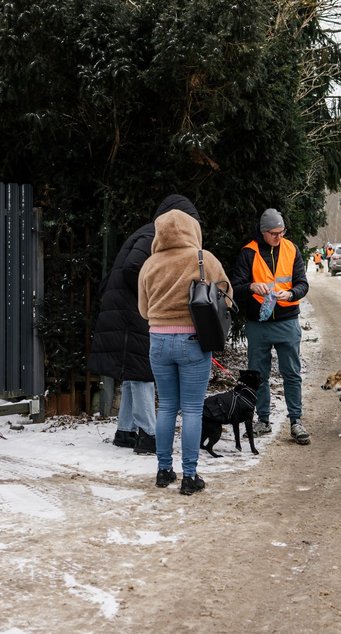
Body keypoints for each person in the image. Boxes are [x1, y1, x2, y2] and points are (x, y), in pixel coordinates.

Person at [88, 195, 201, 455]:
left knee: (133, 374)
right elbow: (133, 269)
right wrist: (155, 296)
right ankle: (149, 435)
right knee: (142, 373)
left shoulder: (148, 233)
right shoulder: (154, 234)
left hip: (123, 311)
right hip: (131, 313)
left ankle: (125, 431)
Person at [138, 207, 232, 495]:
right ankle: (190, 476)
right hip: (193, 340)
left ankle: (164, 470)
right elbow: (227, 297)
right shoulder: (204, 259)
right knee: (192, 409)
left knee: (166, 406)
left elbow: (143, 310)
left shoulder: (149, 264)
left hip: (158, 341)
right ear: (193, 230)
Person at [231, 208, 311, 444]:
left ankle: (296, 421)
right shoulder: (248, 252)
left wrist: (291, 293)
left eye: (282, 232)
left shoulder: (291, 248)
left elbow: (303, 284)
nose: (279, 237)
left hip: (287, 320)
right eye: (274, 233)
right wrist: (252, 287)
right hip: (258, 324)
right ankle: (263, 420)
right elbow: (235, 286)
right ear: (263, 232)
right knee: (258, 375)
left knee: (292, 373)